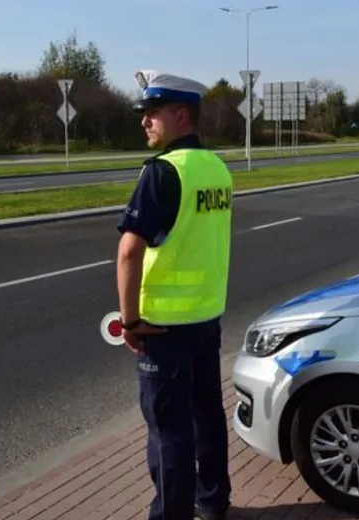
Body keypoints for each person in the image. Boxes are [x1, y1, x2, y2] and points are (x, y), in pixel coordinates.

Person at [115, 69, 233, 520]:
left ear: (180, 115)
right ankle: (214, 500)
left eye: (152, 113)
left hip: (162, 326)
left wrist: (129, 321)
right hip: (206, 317)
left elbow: (129, 252)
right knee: (208, 415)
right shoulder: (217, 168)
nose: (144, 122)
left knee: (169, 430)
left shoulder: (164, 171)